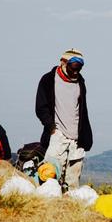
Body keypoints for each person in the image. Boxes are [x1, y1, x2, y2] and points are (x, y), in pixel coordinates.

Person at [35, 48, 93, 189]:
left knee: (72, 184)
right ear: (63, 62)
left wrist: (84, 138)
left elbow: (82, 111)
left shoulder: (80, 82)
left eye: (79, 68)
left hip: (76, 141)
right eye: (73, 67)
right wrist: (52, 129)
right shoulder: (48, 80)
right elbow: (40, 108)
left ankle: (68, 209)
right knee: (49, 178)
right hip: (57, 137)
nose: (76, 71)